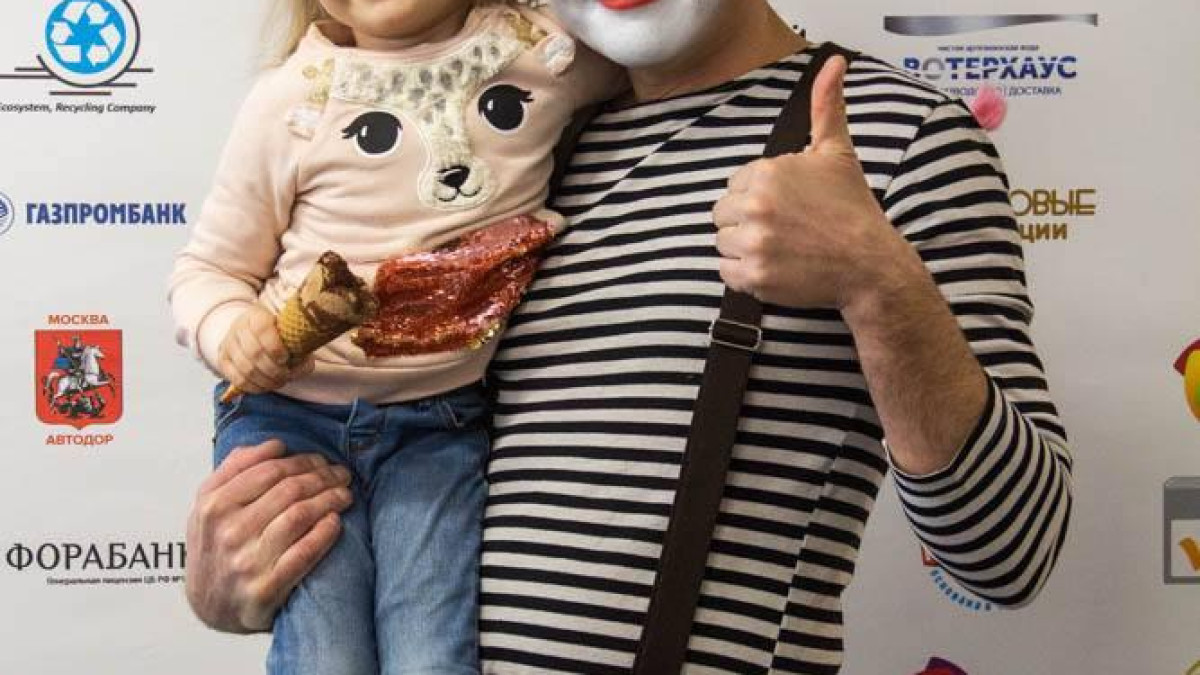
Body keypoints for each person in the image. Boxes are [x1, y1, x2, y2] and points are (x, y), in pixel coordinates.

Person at [183, 0, 1074, 673]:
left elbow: (1009, 551)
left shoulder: (897, 136)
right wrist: (246, 575)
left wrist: (878, 281)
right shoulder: (525, 129)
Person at [168, 0, 620, 672]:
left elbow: (669, 58)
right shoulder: (290, 100)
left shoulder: (543, 53)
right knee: (326, 656)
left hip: (439, 427)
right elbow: (208, 270)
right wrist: (231, 330)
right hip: (289, 422)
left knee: (431, 654)